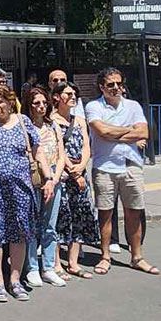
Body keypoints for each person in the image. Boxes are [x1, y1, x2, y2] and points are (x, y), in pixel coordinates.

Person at [0, 83, 51, 302]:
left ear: (10, 102)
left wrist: (48, 178)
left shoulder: (23, 122)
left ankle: (15, 280)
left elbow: (38, 152)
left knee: (20, 233)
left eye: (0, 101)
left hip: (21, 188)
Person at [85, 67, 160, 276]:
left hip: (131, 165)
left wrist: (114, 133)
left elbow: (144, 132)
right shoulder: (93, 106)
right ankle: (105, 256)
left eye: (119, 83)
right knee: (105, 213)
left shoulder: (133, 106)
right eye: (110, 84)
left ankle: (137, 257)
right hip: (105, 166)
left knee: (134, 212)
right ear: (102, 87)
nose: (116, 88)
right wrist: (130, 131)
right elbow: (102, 131)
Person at [48, 82, 96, 279]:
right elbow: (58, 149)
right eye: (68, 94)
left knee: (79, 216)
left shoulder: (80, 120)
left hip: (80, 173)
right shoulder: (52, 120)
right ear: (57, 97)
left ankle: (74, 262)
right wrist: (73, 172)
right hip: (63, 174)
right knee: (60, 217)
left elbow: (86, 146)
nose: (73, 97)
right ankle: (57, 263)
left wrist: (82, 166)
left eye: (74, 94)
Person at [23, 86, 67, 288]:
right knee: (32, 224)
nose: (41, 106)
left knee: (50, 225)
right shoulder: (25, 126)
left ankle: (48, 267)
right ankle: (32, 267)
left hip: (53, 176)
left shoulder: (53, 125)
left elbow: (61, 155)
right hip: (33, 177)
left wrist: (54, 179)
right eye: (36, 103)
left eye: (43, 103)